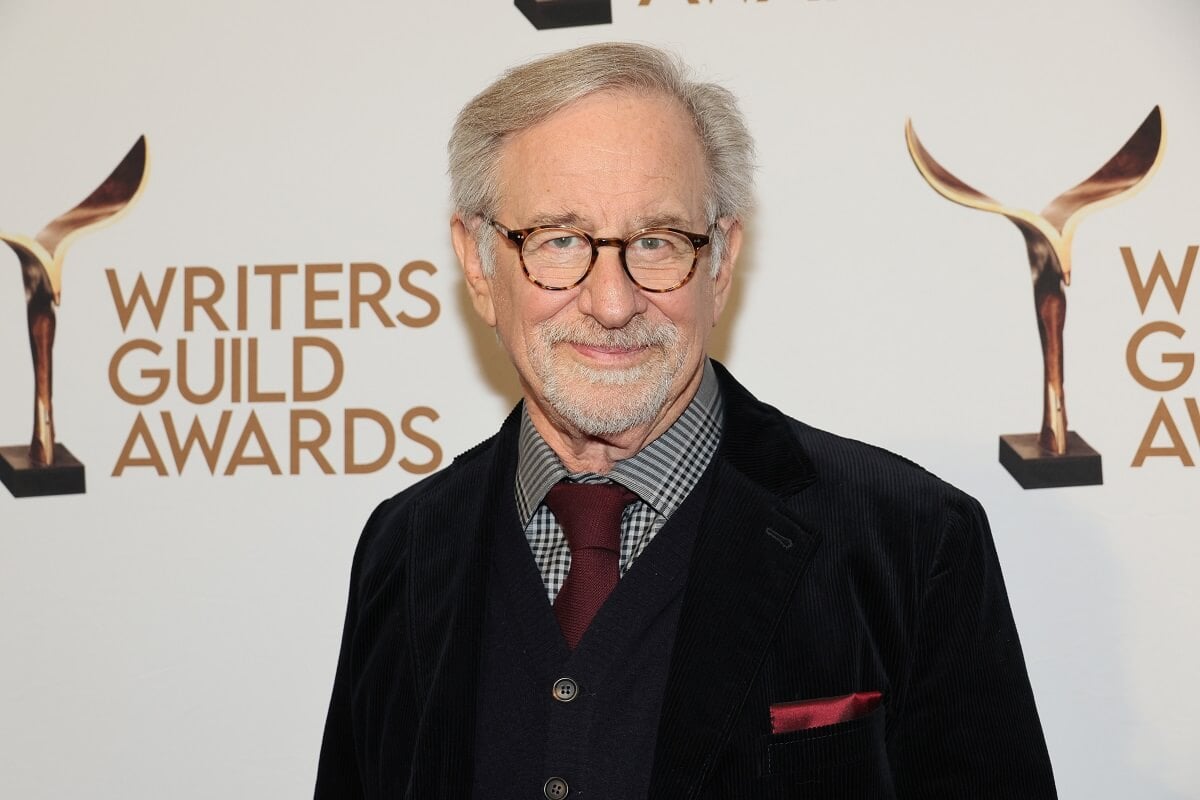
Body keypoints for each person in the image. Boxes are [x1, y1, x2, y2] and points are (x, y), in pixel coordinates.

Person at [315, 42, 1057, 799]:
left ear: (722, 262)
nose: (612, 302)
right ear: (478, 264)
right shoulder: (405, 548)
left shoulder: (911, 541)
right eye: (559, 240)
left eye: (657, 242)